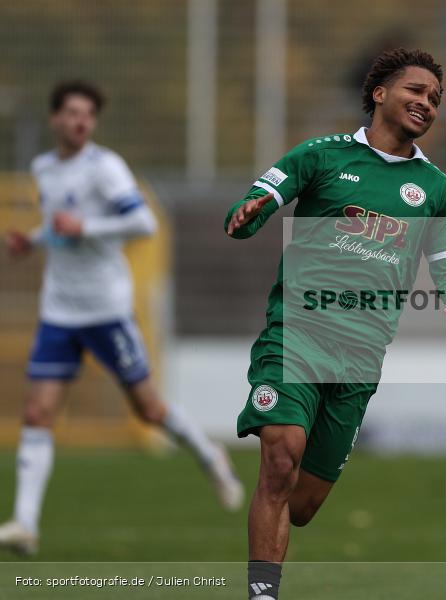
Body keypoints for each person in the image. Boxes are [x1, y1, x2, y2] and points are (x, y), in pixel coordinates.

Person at [225, 48, 446, 600]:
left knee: (302, 504)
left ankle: (273, 528)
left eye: (435, 98)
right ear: (379, 93)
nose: (427, 103)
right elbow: (254, 204)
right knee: (280, 458)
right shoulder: (321, 155)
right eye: (415, 90)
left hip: (361, 355)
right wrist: (251, 210)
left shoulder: (435, 188)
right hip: (297, 334)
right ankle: (262, 594)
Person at [1, 80, 244, 556]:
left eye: (88, 114)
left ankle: (209, 454)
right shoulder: (44, 167)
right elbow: (59, 225)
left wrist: (86, 227)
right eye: (73, 113)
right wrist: (33, 240)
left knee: (148, 410)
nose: (81, 122)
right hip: (59, 310)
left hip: (106, 309)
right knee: (37, 413)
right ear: (55, 119)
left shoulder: (105, 168)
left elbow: (142, 222)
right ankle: (25, 524)